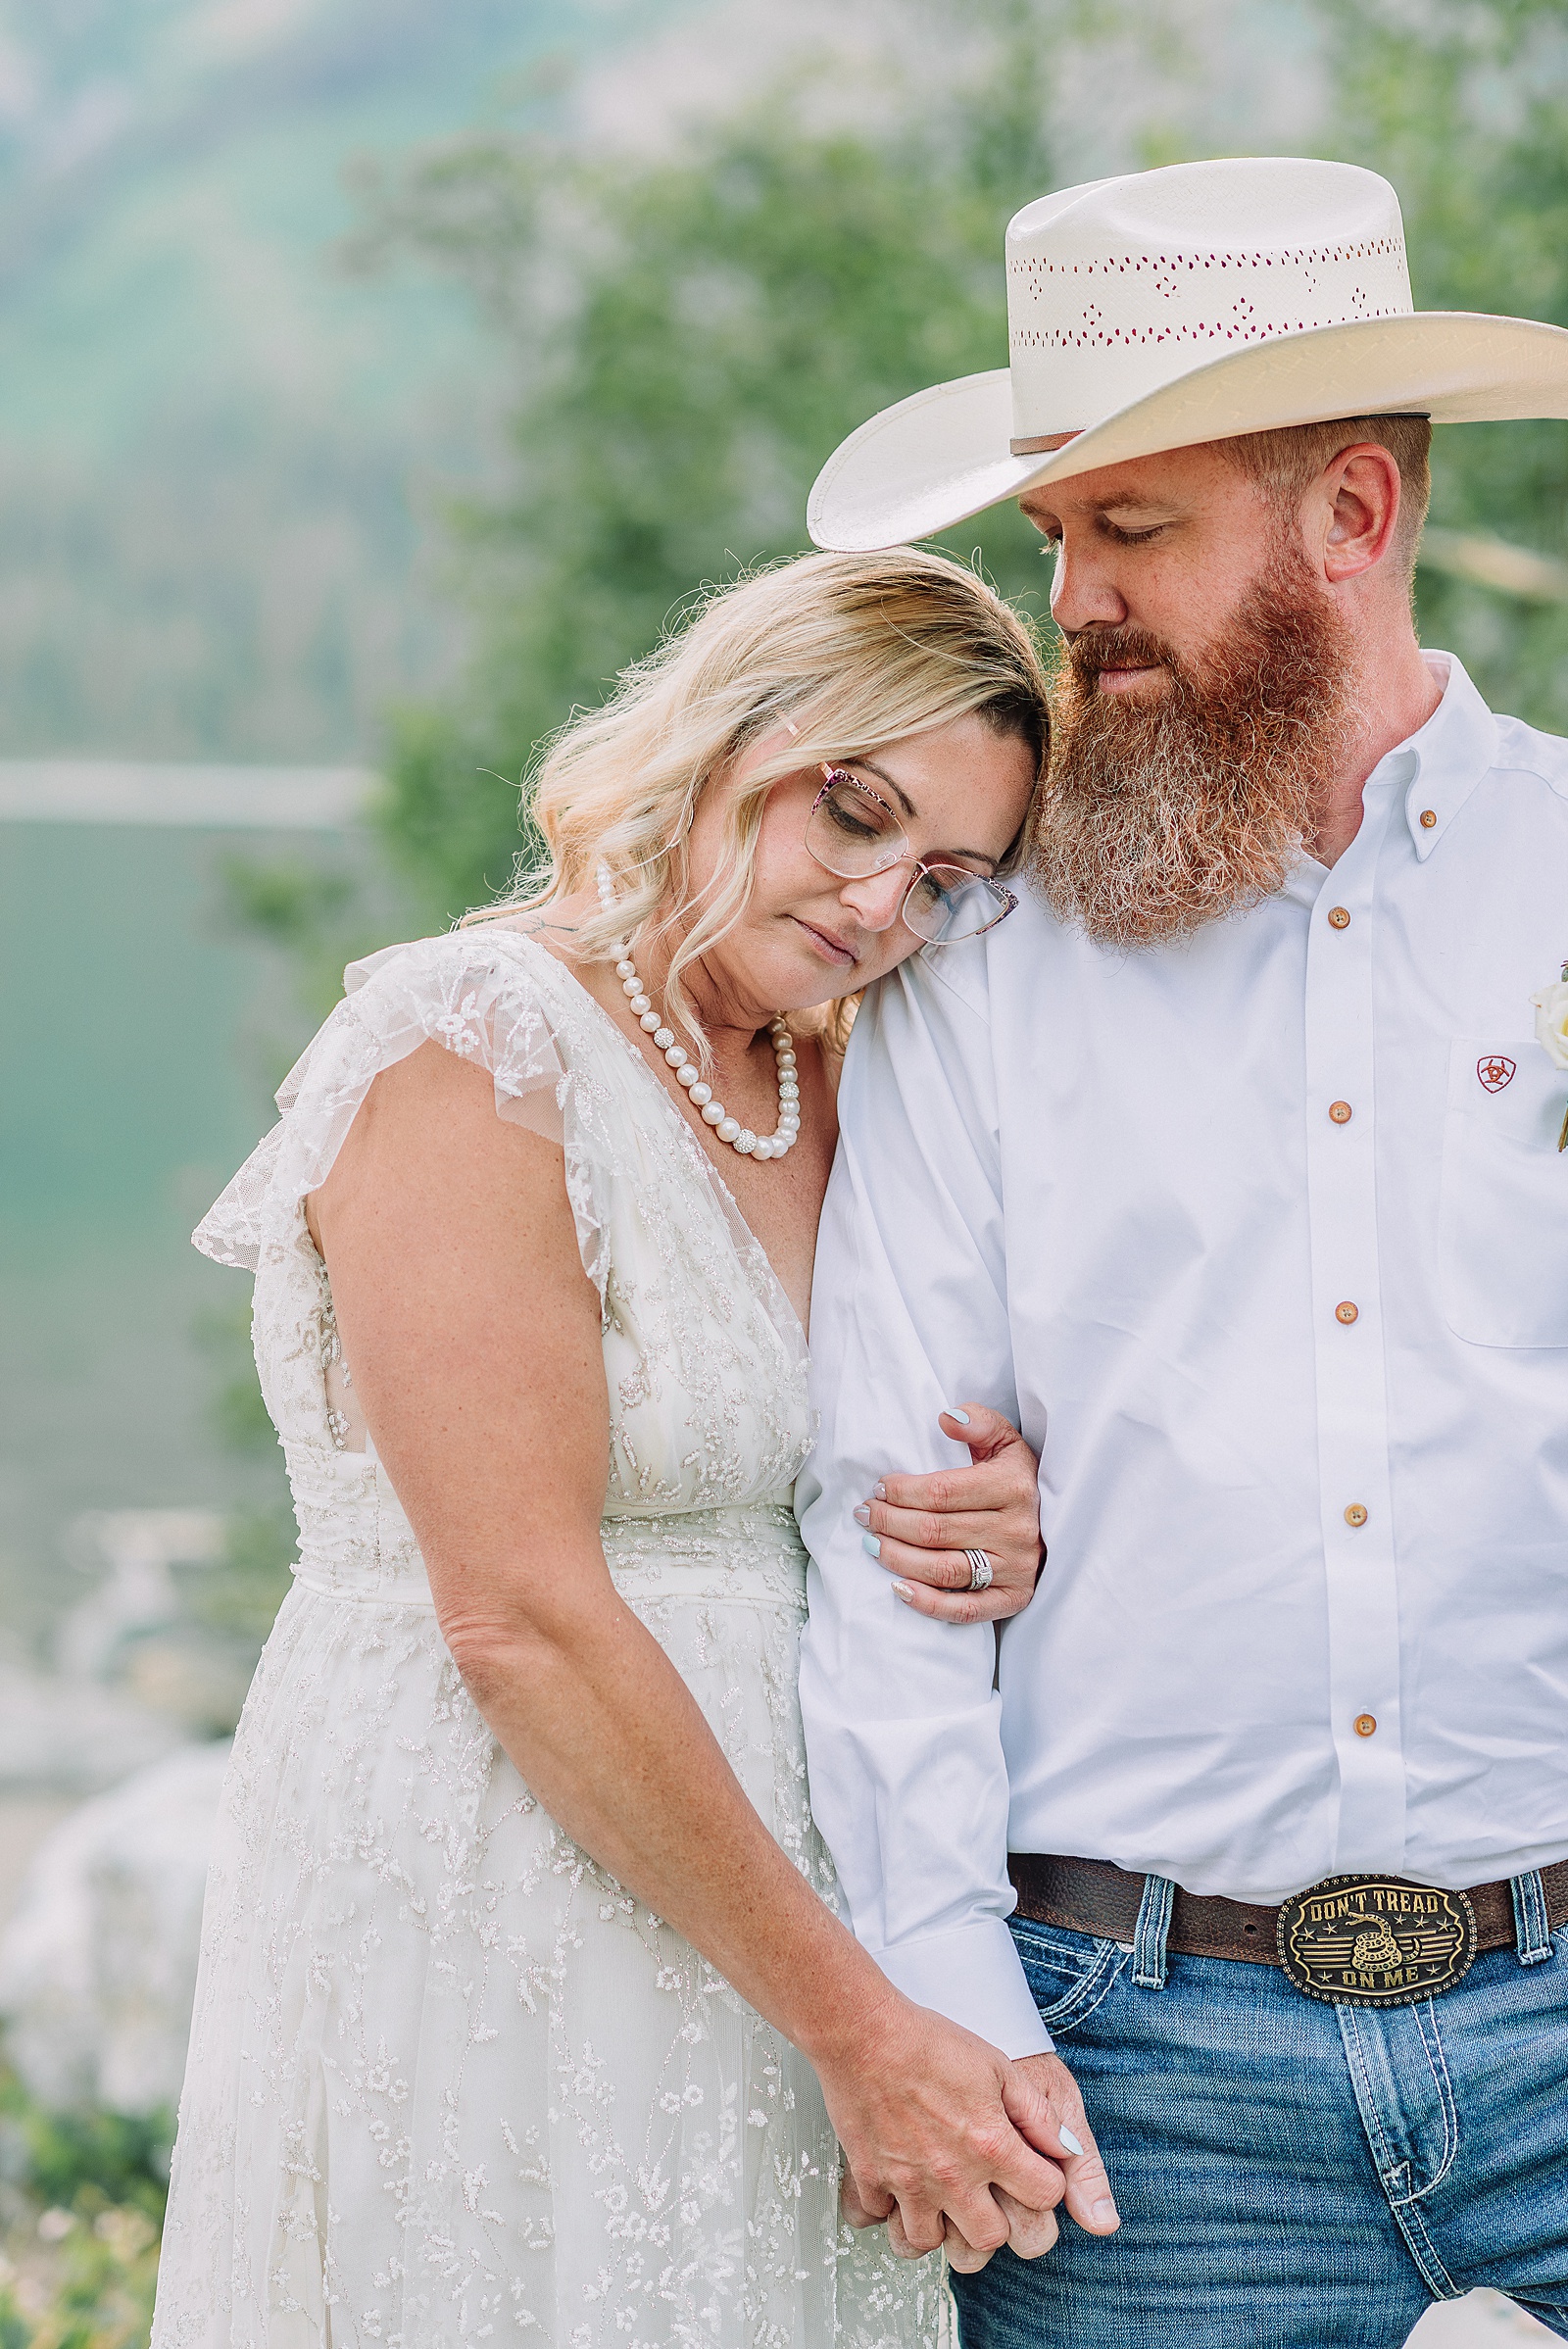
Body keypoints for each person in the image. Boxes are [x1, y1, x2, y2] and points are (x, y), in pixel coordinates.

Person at [149, 547, 1117, 2349]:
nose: (878, 898)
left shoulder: (829, 1071)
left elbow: (866, 1455)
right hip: (499, 1877)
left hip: (777, 1913)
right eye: (854, 808)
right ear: (735, 730)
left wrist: (1004, 1519)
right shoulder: (470, 1042)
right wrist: (862, 2030)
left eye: (944, 876)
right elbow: (514, 1609)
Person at [798, 156, 1568, 2344]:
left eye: (1130, 530)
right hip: (1130, 2079)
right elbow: (880, 1525)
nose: (1075, 603)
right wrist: (942, 2006)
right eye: (1053, 541)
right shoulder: (979, 962)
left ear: (1347, 512)